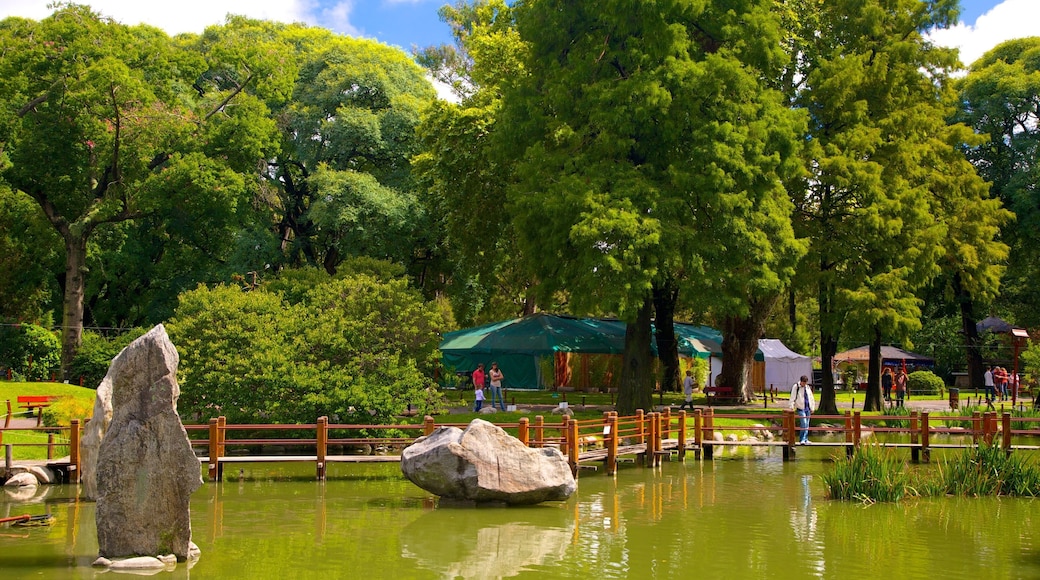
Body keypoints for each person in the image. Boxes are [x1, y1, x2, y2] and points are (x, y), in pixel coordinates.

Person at [789, 375, 815, 444]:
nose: (804, 384)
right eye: (803, 383)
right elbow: (792, 397)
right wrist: (791, 406)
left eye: (805, 383)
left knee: (807, 424)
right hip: (801, 408)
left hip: (807, 408)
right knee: (804, 423)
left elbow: (811, 398)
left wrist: (812, 407)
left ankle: (806, 439)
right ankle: (802, 439)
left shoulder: (807, 387)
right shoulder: (796, 387)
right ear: (801, 381)